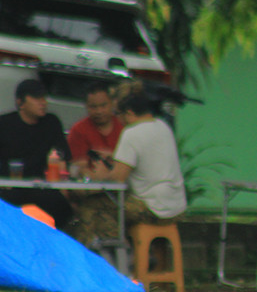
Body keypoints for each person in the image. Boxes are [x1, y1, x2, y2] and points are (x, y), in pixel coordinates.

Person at [71, 87, 187, 246]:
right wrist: (114, 156)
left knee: (91, 205)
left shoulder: (131, 133)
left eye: (118, 114)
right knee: (113, 209)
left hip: (152, 208)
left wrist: (100, 175)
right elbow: (146, 155)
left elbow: (117, 182)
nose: (118, 119)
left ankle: (111, 253)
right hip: (176, 208)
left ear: (130, 113)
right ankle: (133, 251)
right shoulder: (162, 126)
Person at [0, 79, 73, 228]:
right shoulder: (5, 124)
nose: (43, 102)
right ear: (20, 102)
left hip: (41, 186)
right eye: (36, 98)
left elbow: (62, 157)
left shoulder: (51, 123)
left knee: (61, 207)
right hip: (8, 186)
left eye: (44, 98)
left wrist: (63, 187)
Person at [67, 81, 124, 175]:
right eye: (93, 107)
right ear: (86, 106)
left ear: (112, 104)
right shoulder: (78, 130)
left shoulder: (123, 127)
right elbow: (78, 167)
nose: (99, 111)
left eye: (103, 105)